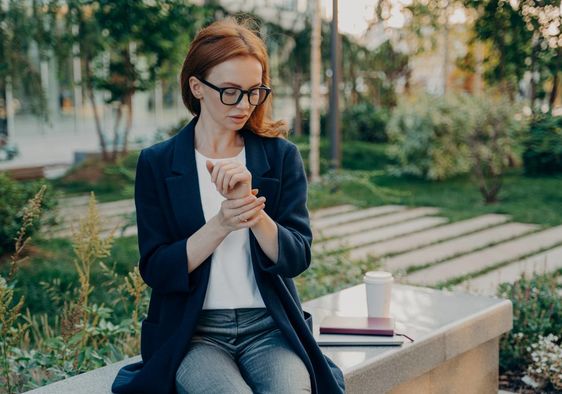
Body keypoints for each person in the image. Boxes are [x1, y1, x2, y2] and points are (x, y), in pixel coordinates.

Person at [112, 18, 345, 394]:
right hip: (194, 334)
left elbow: (297, 257)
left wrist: (251, 212)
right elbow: (155, 267)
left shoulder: (280, 156)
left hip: (270, 328)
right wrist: (221, 223)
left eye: (255, 91)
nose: (245, 104)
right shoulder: (157, 162)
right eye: (231, 91)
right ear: (196, 87)